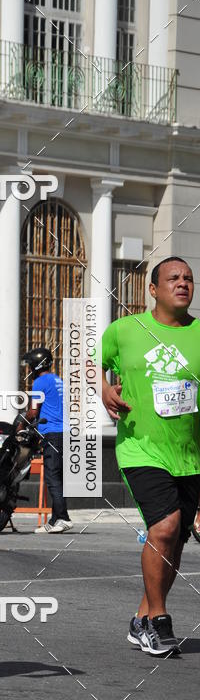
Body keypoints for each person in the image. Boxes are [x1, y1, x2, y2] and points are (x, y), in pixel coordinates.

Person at [101, 257, 200, 656]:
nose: (183, 283)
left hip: (190, 453)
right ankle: (159, 621)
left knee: (174, 539)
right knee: (165, 527)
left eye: (189, 278)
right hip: (140, 447)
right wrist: (103, 389)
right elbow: (90, 364)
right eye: (173, 278)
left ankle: (142, 617)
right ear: (153, 289)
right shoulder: (124, 331)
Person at [20, 347, 72, 534]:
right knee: (58, 477)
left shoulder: (40, 382)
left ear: (36, 365)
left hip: (52, 433)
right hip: (66, 432)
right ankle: (55, 520)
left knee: (52, 476)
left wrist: (21, 424)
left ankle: (64, 518)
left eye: (31, 365)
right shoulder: (59, 381)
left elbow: (34, 411)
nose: (30, 369)